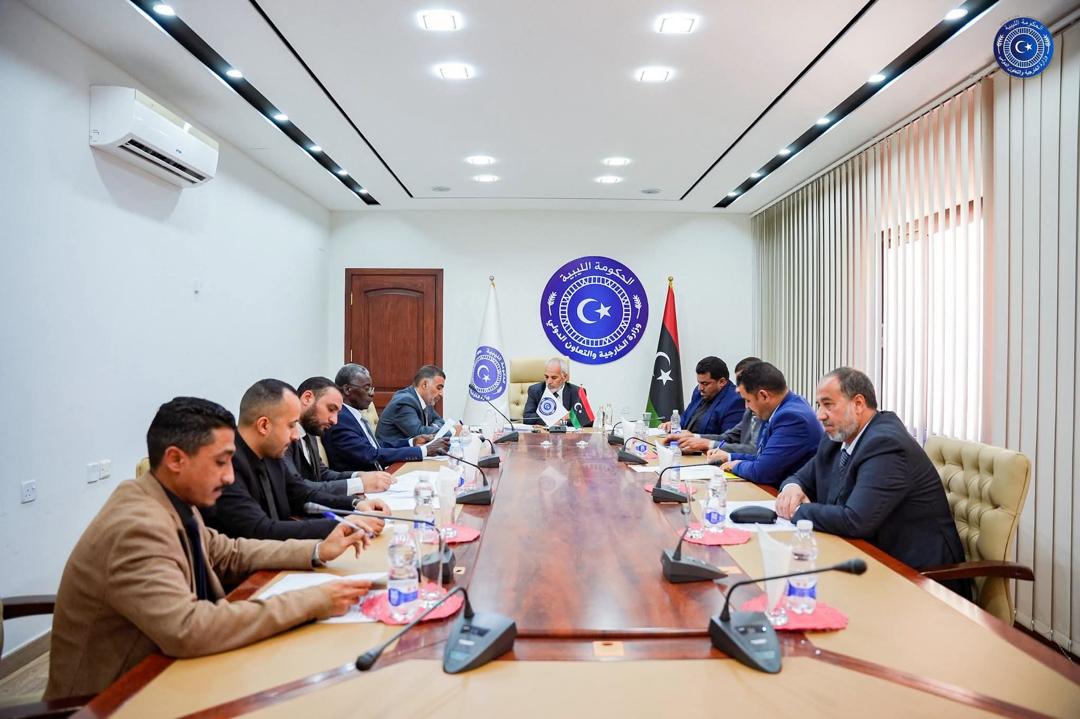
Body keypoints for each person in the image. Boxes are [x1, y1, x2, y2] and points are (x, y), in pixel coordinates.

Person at [45, 397, 374, 700]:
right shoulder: (136, 527)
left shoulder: (170, 498)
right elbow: (189, 628)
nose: (230, 477)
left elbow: (228, 551)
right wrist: (315, 600)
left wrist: (318, 550)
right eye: (221, 462)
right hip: (116, 699)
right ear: (176, 459)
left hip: (171, 671)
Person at [775, 368, 970, 597]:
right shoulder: (838, 437)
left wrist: (798, 510)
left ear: (858, 403)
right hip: (865, 555)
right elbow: (801, 477)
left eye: (828, 405)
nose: (820, 415)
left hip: (916, 577)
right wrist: (793, 488)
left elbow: (855, 520)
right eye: (819, 405)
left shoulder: (886, 444)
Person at [202, 379, 387, 541]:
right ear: (264, 425)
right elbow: (260, 530)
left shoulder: (271, 451)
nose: (296, 436)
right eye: (291, 425)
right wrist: (342, 525)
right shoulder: (227, 467)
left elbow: (303, 494)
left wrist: (355, 504)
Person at [708, 362, 822, 486]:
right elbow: (763, 457)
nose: (746, 407)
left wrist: (736, 465)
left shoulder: (791, 418)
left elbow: (761, 472)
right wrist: (729, 457)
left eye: (748, 400)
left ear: (764, 396)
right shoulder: (785, 406)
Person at [323, 363, 449, 471]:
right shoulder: (341, 419)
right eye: (367, 389)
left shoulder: (353, 414)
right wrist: (424, 450)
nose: (372, 394)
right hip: (363, 482)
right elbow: (370, 455)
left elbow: (376, 446)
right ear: (347, 389)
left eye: (371, 388)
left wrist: (412, 442)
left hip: (378, 474)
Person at [286, 376, 393, 496]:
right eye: (331, 409)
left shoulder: (310, 431)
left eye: (337, 413)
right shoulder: (284, 438)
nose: (335, 420)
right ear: (307, 398)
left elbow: (322, 474)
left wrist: (359, 476)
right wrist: (359, 484)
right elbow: (297, 488)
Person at [669, 357, 761, 453]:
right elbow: (729, 436)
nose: (700, 388)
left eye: (705, 383)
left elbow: (753, 451)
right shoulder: (699, 392)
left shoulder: (736, 401)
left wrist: (707, 445)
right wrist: (694, 437)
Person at [375, 365, 457, 444]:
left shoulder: (426, 400)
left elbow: (439, 421)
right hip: (392, 451)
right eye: (438, 388)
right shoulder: (404, 401)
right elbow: (418, 433)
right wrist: (452, 431)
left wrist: (432, 427)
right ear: (425, 384)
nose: (441, 394)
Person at [521, 357, 593, 426]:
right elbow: (527, 418)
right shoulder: (535, 390)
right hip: (543, 433)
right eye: (546, 377)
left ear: (565, 377)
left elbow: (588, 421)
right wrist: (560, 419)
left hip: (567, 434)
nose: (549, 381)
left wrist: (562, 422)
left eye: (554, 377)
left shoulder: (577, 392)